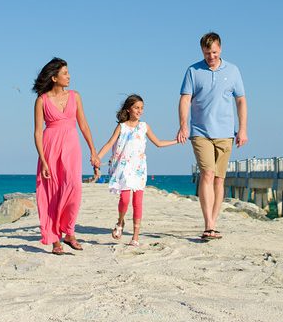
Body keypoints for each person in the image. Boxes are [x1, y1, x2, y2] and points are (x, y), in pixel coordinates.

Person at [176, 32, 247, 241]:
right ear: (202, 51)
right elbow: (185, 100)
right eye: (207, 53)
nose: (211, 57)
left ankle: (213, 223)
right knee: (207, 173)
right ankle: (208, 225)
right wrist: (183, 126)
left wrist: (242, 129)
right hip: (200, 132)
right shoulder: (193, 71)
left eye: (214, 52)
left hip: (225, 133)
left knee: (219, 179)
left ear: (220, 49)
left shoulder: (233, 71)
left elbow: (241, 100)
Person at [32, 57, 100, 255]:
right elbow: (37, 132)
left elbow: (84, 125)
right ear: (54, 78)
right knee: (51, 193)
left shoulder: (75, 96)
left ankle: (68, 231)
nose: (69, 76)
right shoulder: (41, 101)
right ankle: (55, 239)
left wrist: (93, 151)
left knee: (74, 187)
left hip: (71, 147)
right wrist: (43, 160)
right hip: (50, 148)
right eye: (65, 73)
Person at [95, 94, 178, 247]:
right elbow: (109, 143)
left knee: (137, 203)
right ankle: (120, 222)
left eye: (142, 108)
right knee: (125, 200)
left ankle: (135, 237)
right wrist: (97, 157)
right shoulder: (121, 126)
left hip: (139, 170)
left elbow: (158, 143)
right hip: (123, 169)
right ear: (128, 109)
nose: (140, 111)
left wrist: (176, 141)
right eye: (136, 108)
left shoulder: (144, 126)